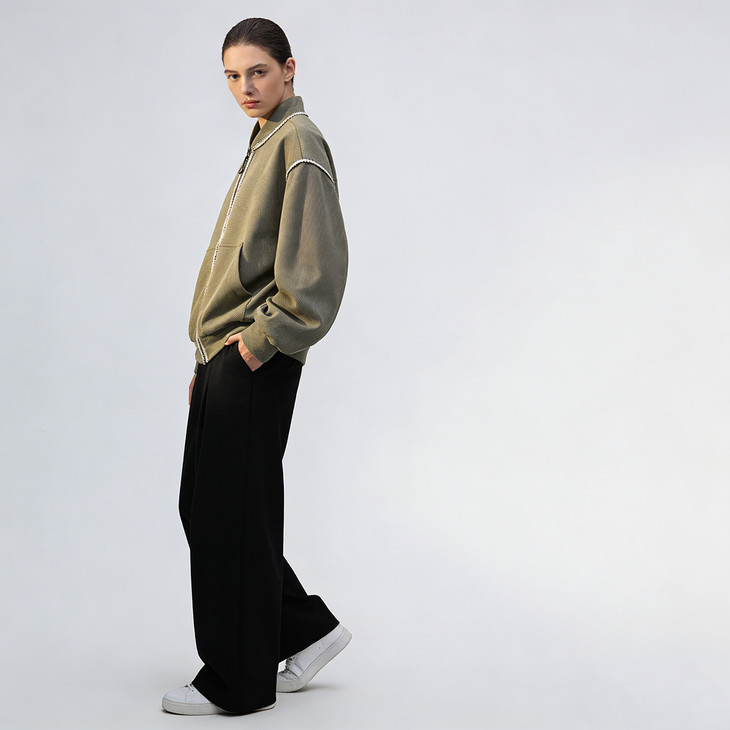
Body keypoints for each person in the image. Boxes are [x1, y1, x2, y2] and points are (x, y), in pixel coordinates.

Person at [161, 17, 351, 716]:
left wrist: (258, 342)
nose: (245, 87)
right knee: (208, 505)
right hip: (224, 354)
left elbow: (317, 271)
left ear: (289, 69)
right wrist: (209, 353)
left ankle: (238, 680)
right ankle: (304, 630)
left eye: (258, 72)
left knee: (230, 513)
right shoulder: (265, 138)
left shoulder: (298, 141)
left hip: (254, 356)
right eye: (233, 77)